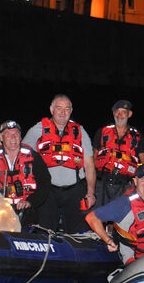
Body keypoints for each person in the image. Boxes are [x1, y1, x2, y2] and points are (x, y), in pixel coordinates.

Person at [22, 94, 96, 232]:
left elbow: (89, 165)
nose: (63, 112)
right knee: (44, 231)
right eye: (59, 108)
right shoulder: (37, 130)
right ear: (51, 109)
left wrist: (91, 192)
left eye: (67, 109)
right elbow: (21, 156)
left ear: (71, 111)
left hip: (75, 190)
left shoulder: (80, 131)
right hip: (47, 191)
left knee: (78, 234)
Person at [85, 164, 144, 264]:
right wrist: (108, 241)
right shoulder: (124, 204)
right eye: (143, 178)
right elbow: (91, 218)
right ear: (135, 182)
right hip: (135, 263)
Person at [0, 120, 52, 229]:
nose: (13, 138)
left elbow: (45, 183)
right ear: (1, 137)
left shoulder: (33, 157)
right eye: (8, 134)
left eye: (16, 134)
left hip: (27, 213)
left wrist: (30, 202)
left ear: (20, 137)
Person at [93, 99, 144, 207]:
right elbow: (92, 160)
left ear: (129, 114)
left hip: (125, 184)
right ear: (113, 113)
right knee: (98, 217)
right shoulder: (102, 132)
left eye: (123, 111)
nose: (120, 115)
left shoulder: (137, 136)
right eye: (117, 111)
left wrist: (139, 184)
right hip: (101, 183)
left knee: (121, 220)